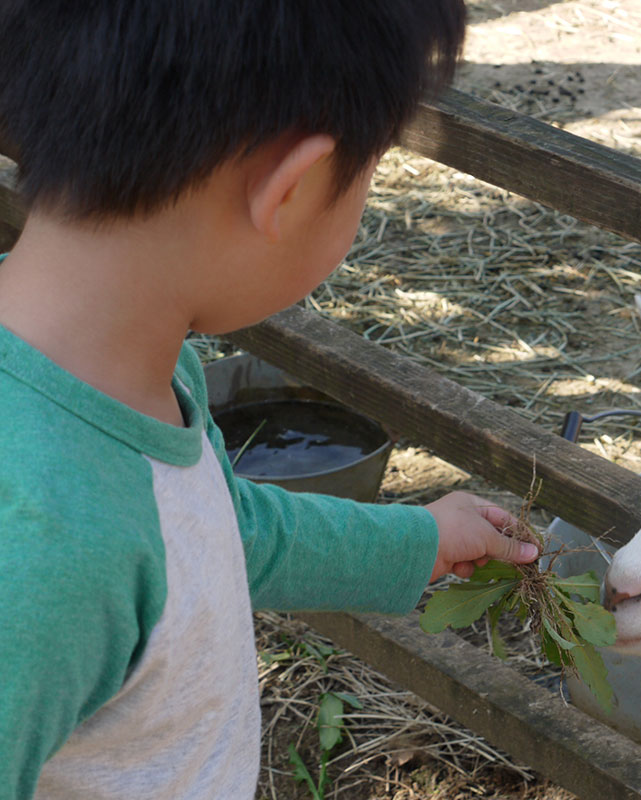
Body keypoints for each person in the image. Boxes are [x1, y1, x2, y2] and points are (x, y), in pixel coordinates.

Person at [0, 2, 538, 798]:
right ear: (293, 186)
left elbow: (204, 533)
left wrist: (413, 542)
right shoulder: (46, 552)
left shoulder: (134, 374)